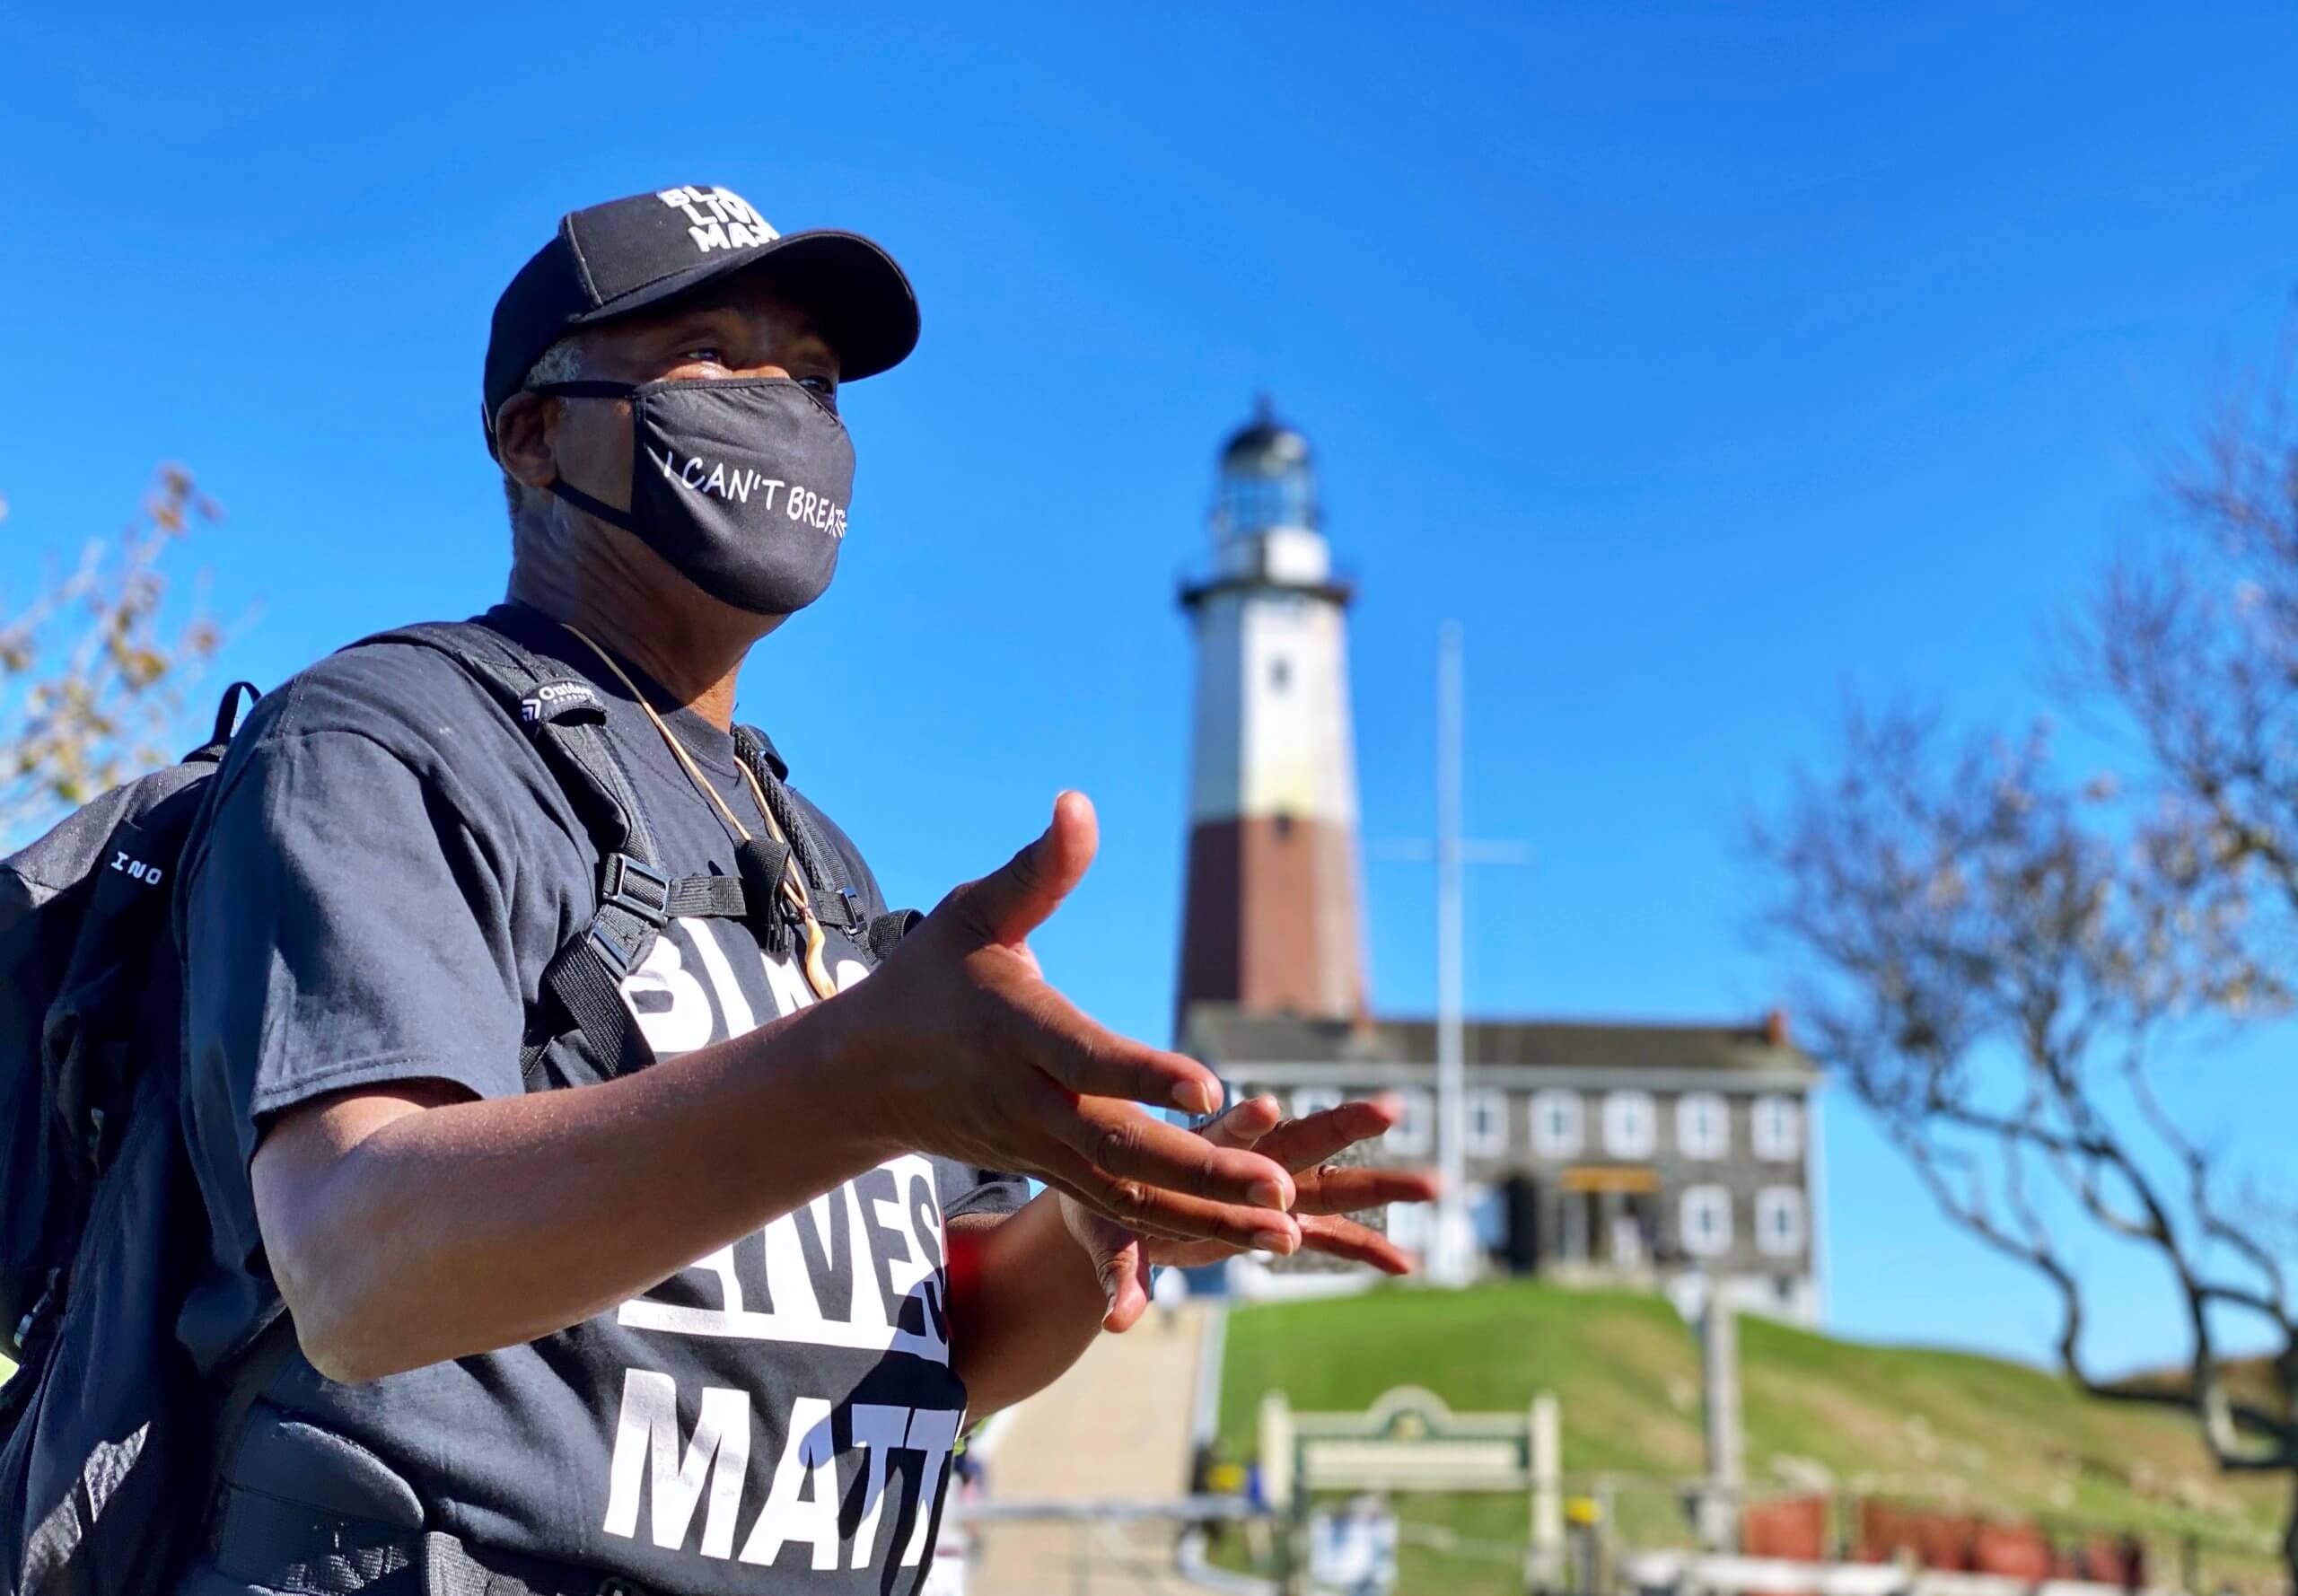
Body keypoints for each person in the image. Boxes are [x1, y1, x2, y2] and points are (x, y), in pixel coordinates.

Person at [171, 182, 1434, 1596]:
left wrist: (1092, 1225)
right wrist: (852, 1080)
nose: (780, 409)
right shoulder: (389, 738)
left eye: (817, 380)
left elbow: (942, 1340)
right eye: (712, 355)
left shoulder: (814, 857)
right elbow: (355, 1264)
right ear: (534, 430)